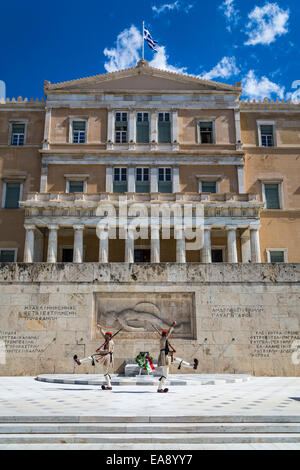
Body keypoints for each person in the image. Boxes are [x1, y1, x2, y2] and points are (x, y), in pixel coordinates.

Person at [157, 321, 198, 393]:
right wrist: (173, 325)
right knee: (165, 375)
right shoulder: (163, 339)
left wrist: (172, 350)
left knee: (178, 360)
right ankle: (159, 388)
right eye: (166, 334)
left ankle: (193, 366)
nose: (167, 335)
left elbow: (167, 346)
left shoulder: (164, 340)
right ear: (165, 335)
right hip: (164, 358)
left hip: (167, 356)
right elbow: (169, 333)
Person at [95, 323, 115, 391]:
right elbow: (103, 334)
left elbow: (108, 350)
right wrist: (100, 328)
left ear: (109, 336)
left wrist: (100, 351)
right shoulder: (107, 339)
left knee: (105, 372)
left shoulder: (110, 342)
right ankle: (79, 361)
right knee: (105, 373)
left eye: (106, 335)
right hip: (105, 355)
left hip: (107, 356)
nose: (105, 336)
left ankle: (109, 386)